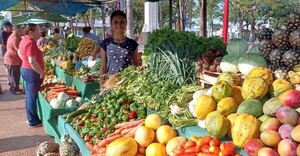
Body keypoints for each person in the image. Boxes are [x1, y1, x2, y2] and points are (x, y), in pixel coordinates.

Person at [99, 10, 142, 84]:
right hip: (110, 84)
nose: (119, 25)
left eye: (122, 22)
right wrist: (101, 86)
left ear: (126, 24)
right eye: (115, 22)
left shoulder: (133, 43)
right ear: (111, 25)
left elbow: (135, 65)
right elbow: (103, 67)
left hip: (128, 84)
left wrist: (139, 69)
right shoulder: (105, 43)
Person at [19, 24, 44, 128]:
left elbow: (19, 52)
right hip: (31, 72)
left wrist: (24, 61)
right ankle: (33, 121)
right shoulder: (30, 43)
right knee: (31, 96)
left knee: (29, 95)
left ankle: (30, 117)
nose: (40, 33)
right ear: (31, 33)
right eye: (37, 31)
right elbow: (32, 61)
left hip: (25, 69)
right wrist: (41, 72)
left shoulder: (23, 40)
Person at [4, 25, 24, 95]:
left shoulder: (15, 36)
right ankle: (15, 90)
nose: (23, 31)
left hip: (12, 59)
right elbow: (19, 51)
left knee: (14, 75)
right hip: (12, 60)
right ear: (18, 31)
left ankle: (15, 88)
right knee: (14, 76)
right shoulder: (15, 39)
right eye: (22, 30)